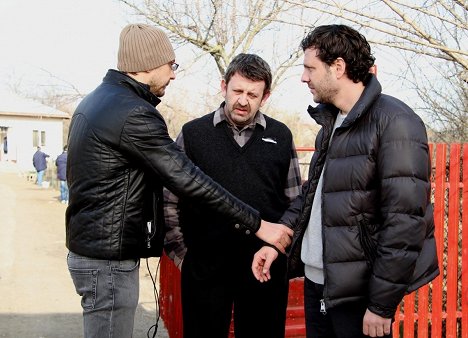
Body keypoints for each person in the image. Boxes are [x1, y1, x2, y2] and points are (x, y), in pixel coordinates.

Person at [65, 23, 293, 338]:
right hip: (108, 260)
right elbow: (188, 183)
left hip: (102, 253)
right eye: (170, 65)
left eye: (252, 94)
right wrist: (256, 225)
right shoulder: (134, 114)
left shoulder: (101, 101)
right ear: (147, 63)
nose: (173, 74)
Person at [252, 24, 439, 338]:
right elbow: (313, 193)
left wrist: (381, 305)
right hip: (318, 284)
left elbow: (404, 223)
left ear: (337, 67)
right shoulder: (331, 121)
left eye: (310, 68)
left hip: (358, 293)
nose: (303, 77)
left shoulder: (396, 123)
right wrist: (278, 242)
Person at [163, 53, 302, 338]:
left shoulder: (281, 136)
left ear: (265, 97)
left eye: (253, 94)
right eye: (237, 90)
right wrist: (183, 257)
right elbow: (170, 199)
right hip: (204, 267)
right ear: (223, 85)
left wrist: (279, 251)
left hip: (263, 268)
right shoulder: (193, 133)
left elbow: (295, 203)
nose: (243, 100)